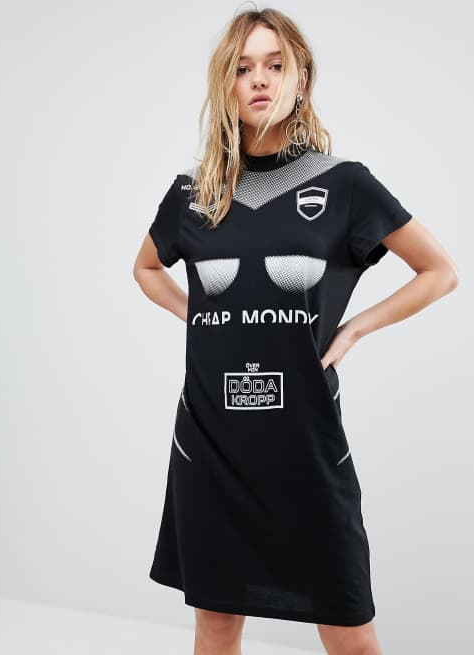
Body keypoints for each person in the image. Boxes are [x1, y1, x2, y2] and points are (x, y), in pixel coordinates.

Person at [133, 7, 458, 655]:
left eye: (275, 65)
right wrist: (195, 314)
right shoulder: (194, 192)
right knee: (216, 627)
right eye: (243, 68)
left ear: (300, 78)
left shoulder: (343, 185)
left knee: (350, 631)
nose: (259, 79)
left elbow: (439, 271)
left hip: (308, 447)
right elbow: (145, 267)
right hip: (211, 445)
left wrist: (356, 328)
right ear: (226, 83)